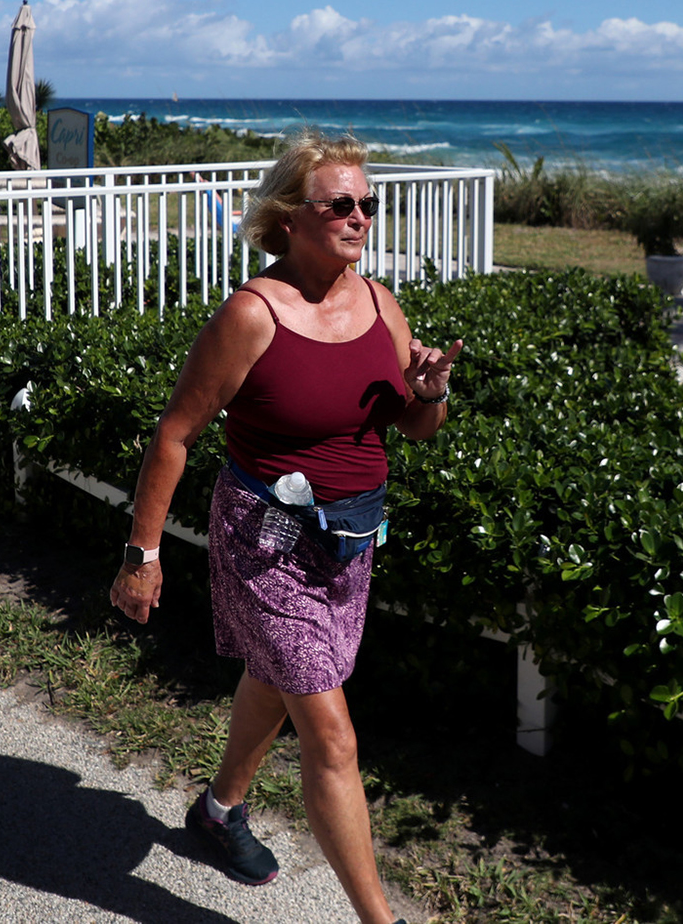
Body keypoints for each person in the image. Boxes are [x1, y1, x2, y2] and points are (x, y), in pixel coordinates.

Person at [109, 129, 462, 924]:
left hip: (352, 542)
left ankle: (219, 809)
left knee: (280, 678)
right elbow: (175, 433)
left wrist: (431, 392)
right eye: (342, 203)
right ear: (290, 216)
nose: (361, 216)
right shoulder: (252, 313)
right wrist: (143, 551)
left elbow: (412, 425)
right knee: (330, 731)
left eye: (368, 203)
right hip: (267, 541)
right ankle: (382, 920)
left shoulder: (378, 303)